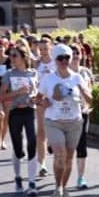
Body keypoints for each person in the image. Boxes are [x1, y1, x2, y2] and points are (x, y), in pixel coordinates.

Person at [38, 44, 92, 197]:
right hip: (54, 122)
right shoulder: (48, 79)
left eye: (66, 57)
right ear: (55, 60)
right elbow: (38, 98)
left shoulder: (77, 77)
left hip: (74, 122)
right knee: (60, 154)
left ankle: (64, 186)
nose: (63, 61)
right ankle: (57, 187)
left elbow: (90, 100)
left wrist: (82, 90)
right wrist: (45, 102)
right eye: (60, 58)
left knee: (68, 157)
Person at [0, 44, 39, 196]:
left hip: (30, 110)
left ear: (23, 57)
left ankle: (32, 182)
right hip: (15, 112)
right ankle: (17, 176)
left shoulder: (33, 73)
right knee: (17, 147)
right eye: (10, 55)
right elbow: (2, 96)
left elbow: (37, 92)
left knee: (32, 143)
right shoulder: (9, 74)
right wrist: (17, 92)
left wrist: (35, 98)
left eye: (14, 55)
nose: (11, 58)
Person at [69, 44, 94, 190]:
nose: (75, 56)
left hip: (83, 112)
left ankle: (80, 177)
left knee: (82, 144)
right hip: (66, 114)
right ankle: (63, 175)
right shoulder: (63, 73)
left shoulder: (86, 72)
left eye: (77, 53)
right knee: (67, 147)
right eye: (72, 53)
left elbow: (90, 91)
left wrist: (87, 105)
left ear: (82, 55)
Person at [35, 37, 56, 176]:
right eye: (41, 49)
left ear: (51, 48)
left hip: (55, 101)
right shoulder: (36, 63)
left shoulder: (57, 63)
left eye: (46, 49)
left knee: (54, 131)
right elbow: (33, 81)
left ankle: (57, 159)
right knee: (41, 131)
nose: (43, 51)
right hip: (41, 100)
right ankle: (42, 164)